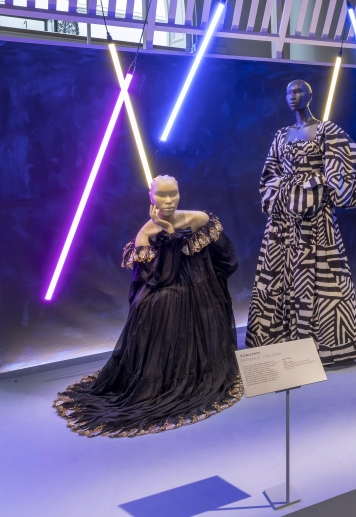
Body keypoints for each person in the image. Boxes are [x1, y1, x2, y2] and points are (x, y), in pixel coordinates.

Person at [54, 176, 240, 437]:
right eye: (162, 195)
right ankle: (161, 379)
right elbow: (159, 278)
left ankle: (197, 369)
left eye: (173, 193)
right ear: (150, 199)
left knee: (179, 303)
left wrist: (208, 277)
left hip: (199, 290)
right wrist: (167, 232)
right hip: (165, 288)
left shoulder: (198, 219)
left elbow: (227, 258)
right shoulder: (146, 233)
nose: (169, 200)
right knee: (156, 304)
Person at [247, 80, 356, 364]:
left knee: (323, 276)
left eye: (299, 91)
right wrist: (284, 194)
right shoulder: (281, 135)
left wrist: (313, 188)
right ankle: (280, 340)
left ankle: (322, 345)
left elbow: (345, 167)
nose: (293, 96)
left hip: (315, 221)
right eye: (289, 92)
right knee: (275, 274)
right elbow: (269, 174)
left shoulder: (327, 130)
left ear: (310, 95)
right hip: (283, 224)